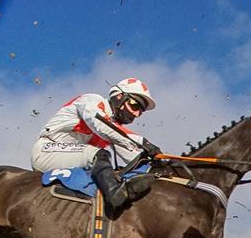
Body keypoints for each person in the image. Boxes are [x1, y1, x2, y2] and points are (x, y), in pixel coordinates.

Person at [31, 78, 163, 210]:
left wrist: (160, 163)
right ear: (119, 97)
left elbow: (134, 155)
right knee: (100, 154)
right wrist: (142, 141)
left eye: (141, 110)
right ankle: (115, 195)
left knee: (119, 168)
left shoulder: (115, 131)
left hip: (73, 160)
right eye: (134, 105)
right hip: (46, 151)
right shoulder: (92, 101)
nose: (137, 114)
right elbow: (100, 124)